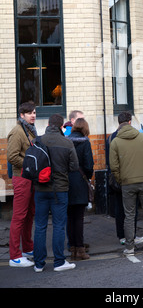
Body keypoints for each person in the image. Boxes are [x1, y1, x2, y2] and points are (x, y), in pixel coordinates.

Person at [109, 111, 143, 256]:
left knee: (129, 215)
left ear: (119, 124)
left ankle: (130, 247)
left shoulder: (115, 141)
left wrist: (121, 179)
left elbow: (114, 166)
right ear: (131, 122)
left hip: (127, 183)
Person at [33, 114, 79, 272]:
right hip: (59, 189)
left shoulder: (37, 140)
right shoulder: (67, 142)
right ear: (61, 127)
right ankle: (59, 262)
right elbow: (74, 167)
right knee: (59, 226)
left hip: (40, 189)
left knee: (39, 226)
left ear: (48, 124)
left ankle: (38, 264)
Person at [105, 121, 143, 246]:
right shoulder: (135, 136)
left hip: (116, 179)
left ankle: (121, 236)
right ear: (129, 122)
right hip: (131, 177)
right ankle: (131, 236)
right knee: (132, 208)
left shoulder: (110, 137)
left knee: (119, 208)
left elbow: (109, 160)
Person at [7, 102, 37, 267]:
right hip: (22, 178)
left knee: (29, 214)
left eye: (34, 112)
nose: (33, 115)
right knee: (19, 216)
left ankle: (27, 248)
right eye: (29, 113)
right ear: (22, 115)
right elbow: (12, 156)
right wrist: (29, 164)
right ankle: (14, 256)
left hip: (30, 177)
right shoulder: (17, 132)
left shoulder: (29, 130)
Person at [67, 118, 94, 260]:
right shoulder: (85, 142)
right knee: (78, 218)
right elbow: (89, 165)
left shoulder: (65, 141)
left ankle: (72, 248)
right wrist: (87, 177)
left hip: (65, 183)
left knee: (69, 217)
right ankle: (80, 250)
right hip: (80, 182)